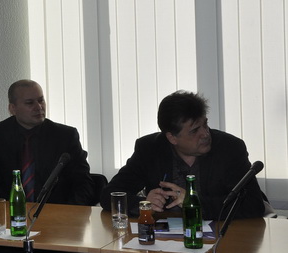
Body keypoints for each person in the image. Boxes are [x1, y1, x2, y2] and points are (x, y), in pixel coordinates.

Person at [101, 90, 266, 220]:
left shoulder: (229, 148)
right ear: (172, 137)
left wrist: (193, 202)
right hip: (164, 242)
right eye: (195, 130)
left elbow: (253, 204)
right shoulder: (150, 149)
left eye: (205, 124)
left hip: (219, 239)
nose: (205, 134)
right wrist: (144, 204)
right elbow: (109, 195)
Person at [0, 79, 96, 205]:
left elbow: (83, 183)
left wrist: (67, 212)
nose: (39, 107)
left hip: (57, 210)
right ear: (13, 108)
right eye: (29, 103)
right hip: (12, 210)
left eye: (41, 100)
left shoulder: (65, 136)